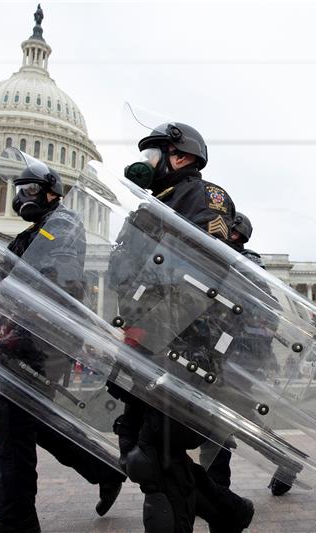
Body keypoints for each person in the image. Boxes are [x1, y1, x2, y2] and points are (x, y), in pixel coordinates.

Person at [0, 154, 125, 533]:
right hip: (30, 341)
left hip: (37, 345)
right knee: (35, 425)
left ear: (53, 192)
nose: (23, 198)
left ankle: (16, 522)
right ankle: (104, 469)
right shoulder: (42, 227)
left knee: (9, 430)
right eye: (20, 191)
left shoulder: (60, 225)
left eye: (31, 189)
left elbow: (60, 282)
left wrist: (20, 319)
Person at [112, 120, 254, 533]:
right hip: (143, 342)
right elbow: (127, 269)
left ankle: (225, 512)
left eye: (153, 155)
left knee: (153, 455)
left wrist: (154, 325)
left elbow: (203, 270)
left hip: (183, 345)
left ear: (180, 156)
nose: (147, 164)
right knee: (137, 449)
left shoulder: (203, 196)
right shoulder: (149, 208)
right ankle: (229, 512)